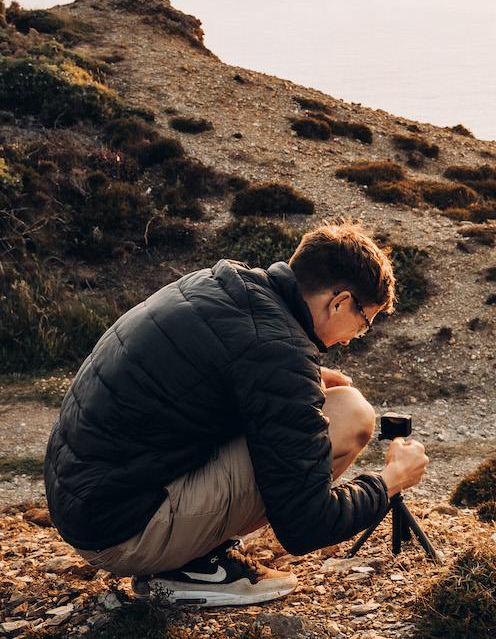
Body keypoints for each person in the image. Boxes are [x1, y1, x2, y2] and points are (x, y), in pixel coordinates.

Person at [43, 222, 428, 607]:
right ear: (340, 301)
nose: (351, 337)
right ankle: (192, 567)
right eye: (363, 323)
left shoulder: (223, 285)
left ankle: (185, 554)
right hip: (122, 534)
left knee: (329, 402)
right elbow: (306, 524)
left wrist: (299, 381)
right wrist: (392, 479)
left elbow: (218, 368)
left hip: (85, 501)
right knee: (352, 414)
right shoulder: (277, 350)